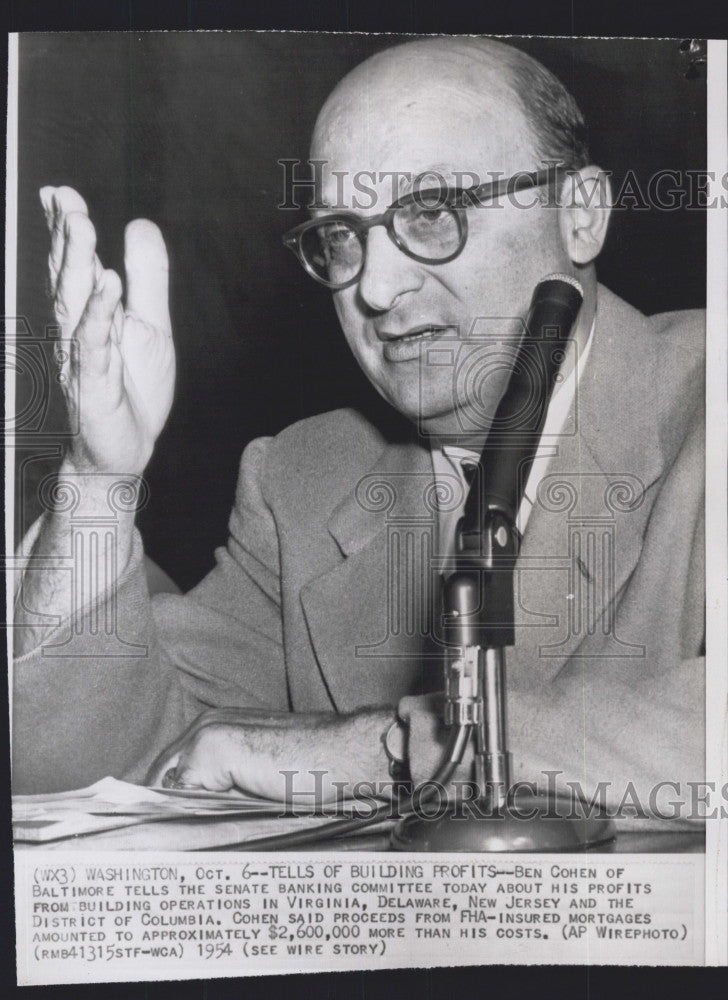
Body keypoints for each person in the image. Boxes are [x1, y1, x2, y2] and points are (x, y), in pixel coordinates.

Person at [13, 37, 704, 825]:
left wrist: (386, 752)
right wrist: (98, 482)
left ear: (580, 215)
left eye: (432, 212)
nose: (375, 287)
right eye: (343, 236)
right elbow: (74, 770)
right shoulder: (307, 479)